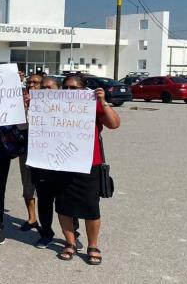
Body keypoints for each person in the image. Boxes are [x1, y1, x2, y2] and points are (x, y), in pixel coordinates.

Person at [55, 74, 120, 265]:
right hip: (62, 162)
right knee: (64, 206)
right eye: (65, 87)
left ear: (83, 90)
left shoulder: (93, 104)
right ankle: (70, 243)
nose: (69, 92)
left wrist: (103, 102)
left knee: (91, 207)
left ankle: (93, 245)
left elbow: (114, 124)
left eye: (73, 88)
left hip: (89, 163)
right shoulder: (54, 105)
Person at [28, 77, 83, 249]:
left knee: (68, 200)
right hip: (42, 164)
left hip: (66, 163)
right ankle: (46, 233)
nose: (45, 91)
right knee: (44, 201)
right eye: (42, 88)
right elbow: (23, 128)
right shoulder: (33, 106)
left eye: (49, 88)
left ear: (58, 89)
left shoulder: (74, 108)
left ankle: (73, 234)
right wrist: (27, 107)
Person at [17, 74, 43, 231]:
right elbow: (20, 127)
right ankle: (32, 217)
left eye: (36, 82)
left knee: (46, 186)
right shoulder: (22, 100)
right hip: (26, 147)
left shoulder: (52, 102)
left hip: (45, 148)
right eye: (30, 82)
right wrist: (25, 107)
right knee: (27, 183)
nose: (32, 84)